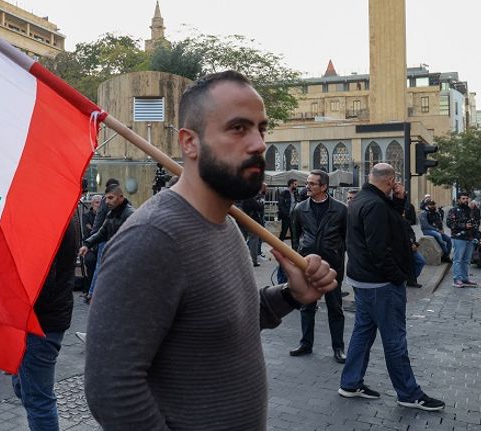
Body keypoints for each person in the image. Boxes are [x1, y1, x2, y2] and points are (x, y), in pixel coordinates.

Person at [84, 71, 338, 429]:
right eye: (238, 128)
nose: (258, 144)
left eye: (260, 129)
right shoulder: (152, 238)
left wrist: (292, 295)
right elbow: (111, 389)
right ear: (189, 143)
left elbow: (231, 320)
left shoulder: (227, 223)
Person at [339, 163, 444, 411]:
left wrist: (398, 202)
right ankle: (408, 393)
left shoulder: (364, 200)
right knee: (394, 339)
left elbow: (392, 225)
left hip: (364, 280)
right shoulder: (374, 204)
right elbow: (379, 248)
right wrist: (397, 276)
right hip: (380, 283)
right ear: (390, 180)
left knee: (363, 332)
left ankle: (350, 382)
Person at [13, 215, 79, 430]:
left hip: (41, 321)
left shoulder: (50, 219)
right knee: (24, 387)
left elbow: (43, 282)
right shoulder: (59, 214)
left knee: (38, 400)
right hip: (42, 318)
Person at [289, 170, 347, 363]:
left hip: (332, 265)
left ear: (324, 187)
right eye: (308, 183)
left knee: (335, 308)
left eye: (313, 183)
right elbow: (296, 237)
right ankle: (306, 343)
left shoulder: (340, 209)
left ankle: (338, 348)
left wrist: (340, 256)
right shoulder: (299, 208)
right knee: (307, 306)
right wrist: (298, 258)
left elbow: (346, 238)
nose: (308, 186)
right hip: (308, 265)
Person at [78, 185, 135, 302]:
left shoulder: (129, 214)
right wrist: (87, 244)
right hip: (115, 256)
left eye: (111, 198)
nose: (107, 201)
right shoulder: (112, 213)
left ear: (121, 197)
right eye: (106, 198)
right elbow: (102, 232)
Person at [446, 192, 479, 289]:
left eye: (466, 198)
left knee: (467, 260)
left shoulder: (470, 210)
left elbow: (475, 223)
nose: (465, 200)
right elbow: (449, 223)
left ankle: (465, 279)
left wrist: (476, 235)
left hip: (470, 238)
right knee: (458, 259)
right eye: (463, 198)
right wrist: (464, 226)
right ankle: (457, 279)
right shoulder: (453, 210)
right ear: (459, 199)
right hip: (459, 238)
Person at [239, 183, 267, 267]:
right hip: (252, 221)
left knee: (241, 240)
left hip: (241, 220)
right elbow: (259, 207)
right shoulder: (253, 196)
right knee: (254, 240)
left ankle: (240, 259)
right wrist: (262, 202)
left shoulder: (242, 195)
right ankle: (253, 260)